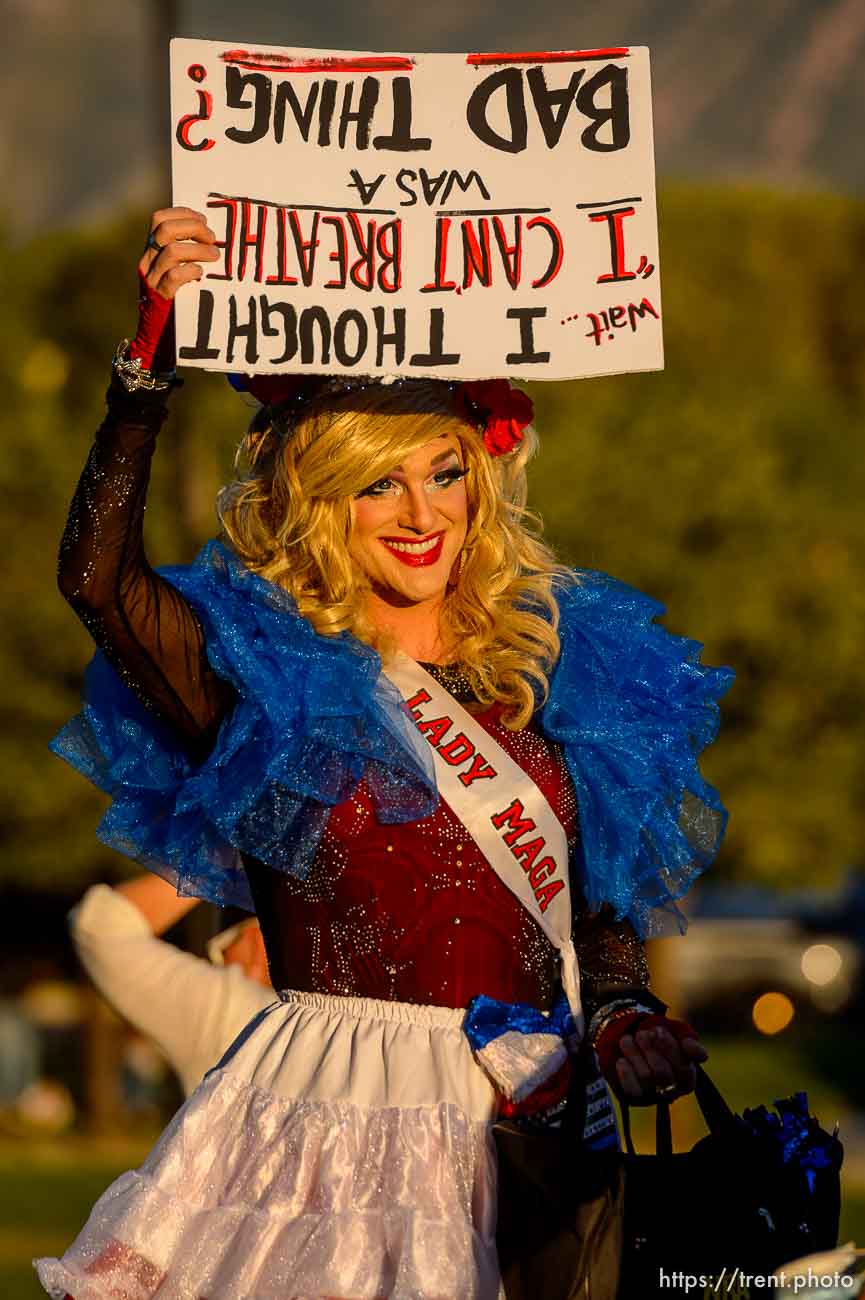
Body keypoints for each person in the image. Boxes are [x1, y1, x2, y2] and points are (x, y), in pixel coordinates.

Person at [36, 207, 733, 1300]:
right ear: (320, 501)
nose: (420, 514)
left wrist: (630, 1018)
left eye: (442, 473)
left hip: (531, 1121)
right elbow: (97, 582)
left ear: (481, 480)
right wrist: (149, 362)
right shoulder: (263, 678)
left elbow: (593, 925)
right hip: (327, 1123)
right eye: (377, 484)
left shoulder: (554, 671)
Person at [70, 874, 273, 1096]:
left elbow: (100, 925)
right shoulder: (308, 1020)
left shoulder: (231, 1008)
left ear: (253, 941)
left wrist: (217, 859)